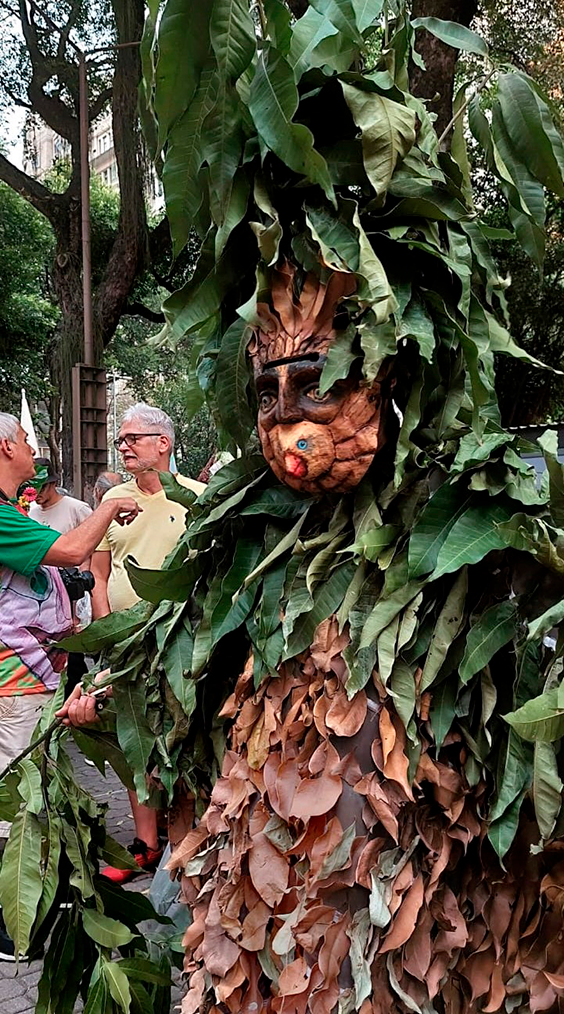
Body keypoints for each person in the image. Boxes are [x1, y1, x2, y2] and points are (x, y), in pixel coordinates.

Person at [0, 412, 141, 960]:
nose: (33, 447)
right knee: (21, 809)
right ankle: (16, 927)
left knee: (37, 795)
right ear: (7, 445)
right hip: (15, 689)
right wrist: (107, 506)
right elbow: (73, 550)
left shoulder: (14, 510)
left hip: (33, 682)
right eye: (27, 441)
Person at [90, 403, 205, 883]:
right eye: (121, 440)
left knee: (182, 733)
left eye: (132, 438)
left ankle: (193, 839)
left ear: (164, 443)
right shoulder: (112, 500)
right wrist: (106, 634)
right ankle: (146, 845)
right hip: (126, 643)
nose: (123, 447)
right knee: (133, 737)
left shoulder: (198, 497)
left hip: (181, 641)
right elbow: (97, 574)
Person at [29, 459, 92, 532]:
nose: (37, 492)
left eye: (42, 487)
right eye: (32, 487)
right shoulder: (30, 511)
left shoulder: (77, 509)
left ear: (53, 483)